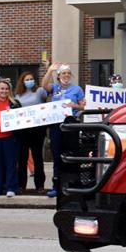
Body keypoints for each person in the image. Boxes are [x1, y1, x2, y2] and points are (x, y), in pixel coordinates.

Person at [41, 62, 86, 198]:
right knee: (56, 155)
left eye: (68, 73)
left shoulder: (77, 89)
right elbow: (44, 86)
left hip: (71, 124)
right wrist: (50, 70)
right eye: (63, 73)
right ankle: (56, 186)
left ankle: (72, 185)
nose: (66, 76)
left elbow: (84, 107)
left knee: (71, 155)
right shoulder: (55, 87)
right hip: (56, 125)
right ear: (59, 76)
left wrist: (75, 106)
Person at [14, 70, 48, 194]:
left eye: (31, 79)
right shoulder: (18, 95)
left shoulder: (39, 91)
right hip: (23, 130)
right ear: (22, 81)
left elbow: (47, 90)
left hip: (37, 130)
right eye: (26, 79)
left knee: (37, 158)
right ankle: (21, 185)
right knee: (22, 159)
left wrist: (48, 70)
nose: (29, 81)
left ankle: (40, 185)